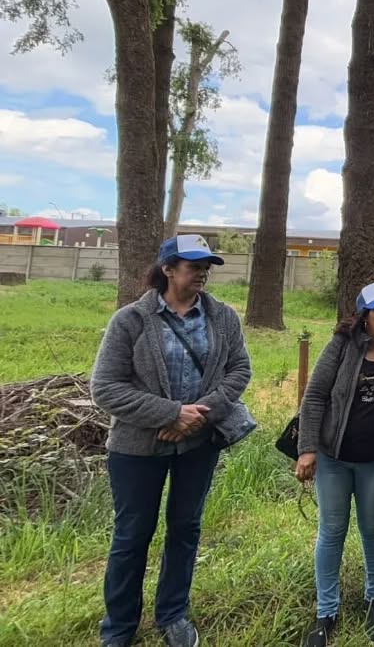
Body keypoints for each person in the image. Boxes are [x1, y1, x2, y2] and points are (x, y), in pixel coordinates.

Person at [90, 234, 253, 647]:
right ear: (167, 269)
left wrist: (197, 416)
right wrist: (170, 414)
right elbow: (105, 388)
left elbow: (239, 371)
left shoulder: (223, 317)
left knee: (185, 528)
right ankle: (119, 628)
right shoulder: (130, 320)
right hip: (136, 450)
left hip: (198, 445)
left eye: (206, 266)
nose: (202, 273)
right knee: (132, 535)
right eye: (193, 265)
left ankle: (173, 615)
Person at [296, 281, 374, 646]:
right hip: (334, 458)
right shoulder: (340, 347)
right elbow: (316, 395)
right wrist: (307, 449)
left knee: (373, 528)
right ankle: (326, 612)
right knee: (332, 531)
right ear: (363, 316)